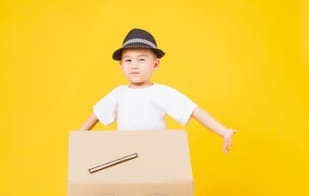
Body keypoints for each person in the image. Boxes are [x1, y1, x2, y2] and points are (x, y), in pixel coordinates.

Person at [80, 28, 236, 153]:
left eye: (141, 59)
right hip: (126, 154)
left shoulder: (162, 93)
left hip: (157, 154)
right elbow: (96, 115)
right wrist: (77, 140)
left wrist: (223, 132)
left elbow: (193, 110)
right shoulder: (118, 94)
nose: (134, 65)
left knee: (156, 190)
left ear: (155, 64)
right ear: (121, 65)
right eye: (128, 60)